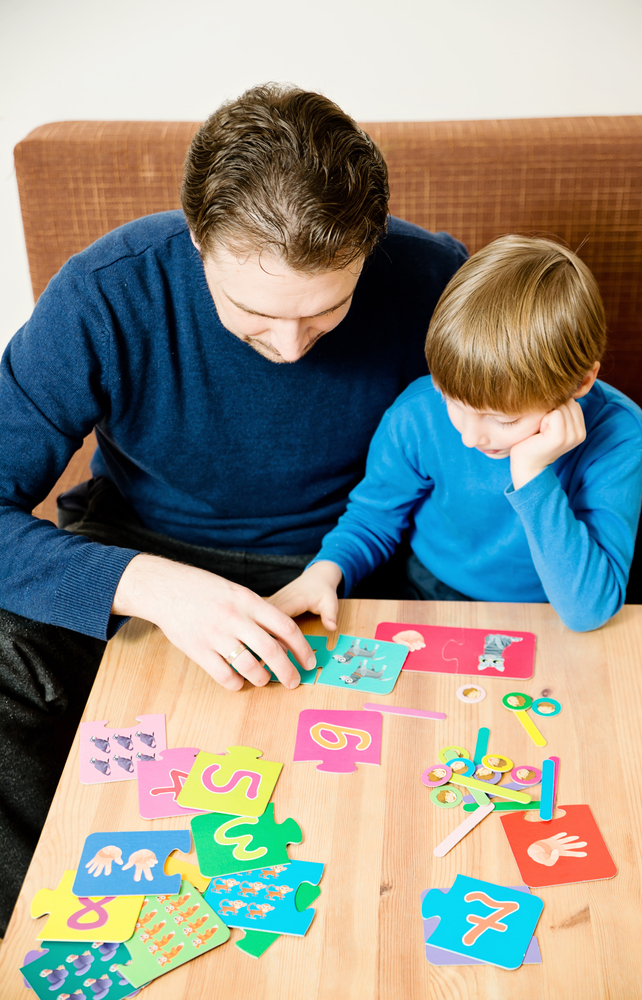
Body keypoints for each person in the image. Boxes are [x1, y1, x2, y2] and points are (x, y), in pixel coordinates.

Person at [0, 84, 469, 931]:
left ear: (370, 249)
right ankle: (34, 932)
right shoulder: (105, 293)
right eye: (254, 313)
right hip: (140, 557)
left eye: (326, 309)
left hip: (352, 565)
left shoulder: (435, 276)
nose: (290, 347)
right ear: (197, 238)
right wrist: (151, 585)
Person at [269, 236, 642, 633]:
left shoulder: (619, 435)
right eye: (452, 401)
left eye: (504, 420)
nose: (470, 437)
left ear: (582, 382)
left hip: (550, 608)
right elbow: (374, 517)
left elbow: (587, 610)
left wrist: (532, 475)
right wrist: (325, 572)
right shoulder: (418, 414)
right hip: (426, 589)